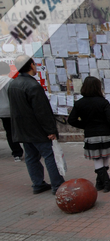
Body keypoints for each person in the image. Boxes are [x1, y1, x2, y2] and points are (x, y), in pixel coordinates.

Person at [8, 55, 65, 195]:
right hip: (37, 129)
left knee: (31, 156)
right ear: (32, 65)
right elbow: (42, 111)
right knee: (49, 155)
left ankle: (38, 183)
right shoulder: (33, 86)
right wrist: (51, 130)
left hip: (22, 129)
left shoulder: (13, 84)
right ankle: (57, 184)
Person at [68, 77, 110, 192]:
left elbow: (72, 120)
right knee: (104, 157)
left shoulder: (79, 103)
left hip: (91, 135)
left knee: (97, 159)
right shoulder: (103, 102)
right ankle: (106, 183)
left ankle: (100, 182)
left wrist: (85, 125)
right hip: (104, 133)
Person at [0, 61, 24, 162]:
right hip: (12, 110)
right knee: (20, 130)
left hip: (2, 111)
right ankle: (30, 150)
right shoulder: (10, 81)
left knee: (9, 132)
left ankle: (16, 154)